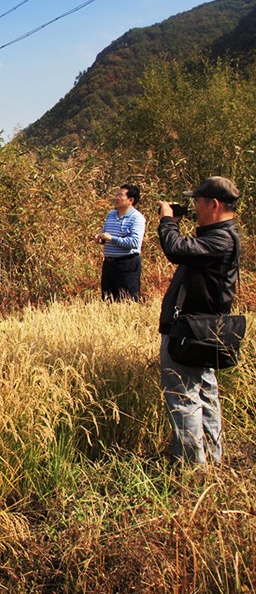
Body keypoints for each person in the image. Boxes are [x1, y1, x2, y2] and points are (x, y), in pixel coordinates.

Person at [157, 176, 241, 466]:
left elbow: (176, 249)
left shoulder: (221, 238)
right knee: (204, 393)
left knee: (184, 398)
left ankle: (192, 469)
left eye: (198, 202)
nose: (195, 207)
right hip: (199, 328)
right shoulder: (217, 235)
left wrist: (167, 222)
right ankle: (211, 462)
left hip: (190, 330)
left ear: (214, 204)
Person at [94, 184, 146, 301]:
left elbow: (134, 242)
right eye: (116, 195)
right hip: (109, 263)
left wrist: (111, 238)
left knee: (127, 300)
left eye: (120, 195)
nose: (116, 198)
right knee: (108, 299)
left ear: (131, 200)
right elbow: (106, 235)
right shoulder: (111, 215)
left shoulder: (136, 218)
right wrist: (100, 239)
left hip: (127, 264)